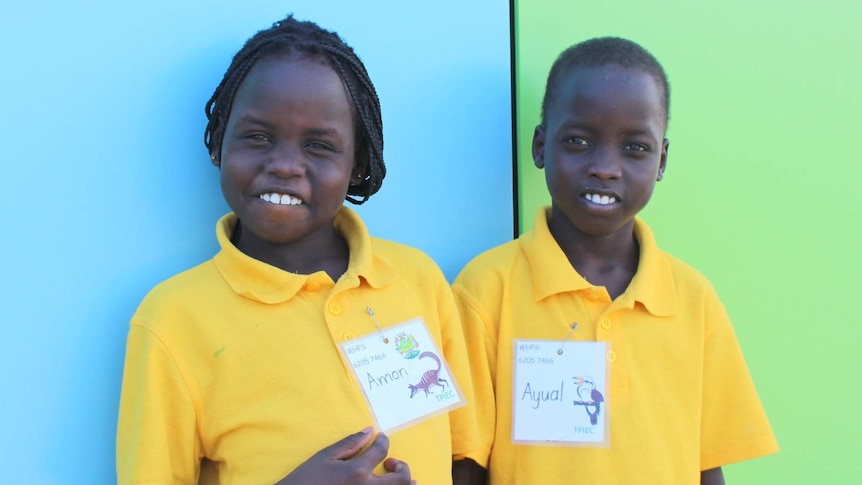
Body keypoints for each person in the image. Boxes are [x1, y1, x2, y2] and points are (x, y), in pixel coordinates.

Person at [117, 15, 476, 485]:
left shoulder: (417, 279)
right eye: (258, 136)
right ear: (217, 140)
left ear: (358, 162)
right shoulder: (172, 320)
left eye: (319, 145)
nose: (285, 165)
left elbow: (465, 457)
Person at [451, 37, 778, 485]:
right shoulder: (487, 289)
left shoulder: (692, 299)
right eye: (579, 141)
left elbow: (708, 463)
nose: (605, 167)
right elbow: (465, 465)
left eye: (635, 148)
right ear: (541, 146)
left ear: (661, 160)